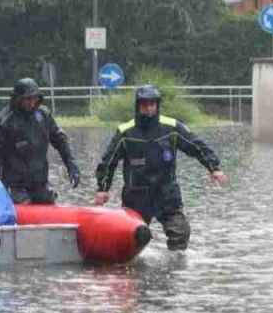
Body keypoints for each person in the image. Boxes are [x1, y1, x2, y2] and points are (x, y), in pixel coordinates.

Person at [94, 85, 228, 251]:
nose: (148, 109)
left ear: (157, 105)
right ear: (138, 106)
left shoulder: (171, 127)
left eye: (152, 104)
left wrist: (214, 168)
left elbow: (196, 146)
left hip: (166, 193)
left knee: (180, 232)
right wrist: (103, 188)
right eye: (144, 105)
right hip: (136, 195)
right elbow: (108, 161)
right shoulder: (125, 132)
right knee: (131, 239)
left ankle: (174, 268)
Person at [0, 78, 81, 204]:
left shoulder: (43, 115)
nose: (31, 103)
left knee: (48, 201)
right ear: (18, 99)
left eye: (34, 99)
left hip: (39, 184)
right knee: (24, 202)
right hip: (14, 186)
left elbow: (60, 140)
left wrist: (72, 167)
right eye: (27, 99)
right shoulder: (2, 122)